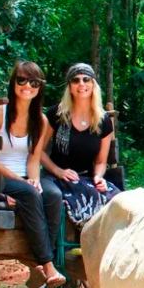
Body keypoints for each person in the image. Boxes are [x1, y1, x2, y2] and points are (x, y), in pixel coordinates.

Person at [0, 61, 65, 288]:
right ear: (13, 83)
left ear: (40, 87)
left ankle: (39, 264)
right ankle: (47, 264)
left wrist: (33, 179)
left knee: (52, 195)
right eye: (21, 80)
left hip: (25, 177)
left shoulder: (40, 120)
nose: (27, 86)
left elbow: (33, 159)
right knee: (31, 194)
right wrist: (22, 182)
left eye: (34, 82)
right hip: (0, 177)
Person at [41, 63, 120, 227]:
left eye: (86, 80)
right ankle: (65, 247)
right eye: (75, 80)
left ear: (93, 85)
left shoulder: (103, 121)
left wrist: (98, 177)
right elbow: (38, 151)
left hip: (86, 178)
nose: (81, 84)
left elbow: (100, 161)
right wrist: (58, 171)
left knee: (118, 202)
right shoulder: (57, 114)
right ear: (69, 87)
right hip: (57, 177)